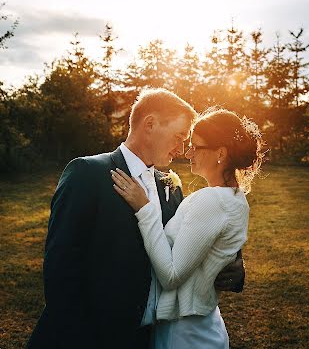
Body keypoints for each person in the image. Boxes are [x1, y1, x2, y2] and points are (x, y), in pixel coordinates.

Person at [26, 88, 244, 349]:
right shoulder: (88, 173)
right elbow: (61, 270)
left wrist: (233, 267)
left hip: (147, 339)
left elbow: (184, 247)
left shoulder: (171, 187)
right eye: (178, 137)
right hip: (90, 337)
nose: (182, 149)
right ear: (150, 124)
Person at [111, 107, 263, 349]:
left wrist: (144, 208)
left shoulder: (211, 200)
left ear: (220, 153)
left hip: (185, 334)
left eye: (196, 146)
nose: (187, 152)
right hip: (199, 324)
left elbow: (171, 276)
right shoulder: (235, 197)